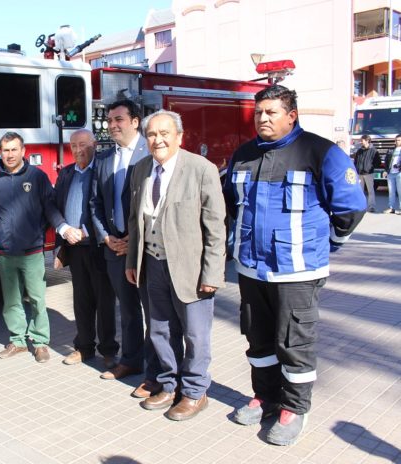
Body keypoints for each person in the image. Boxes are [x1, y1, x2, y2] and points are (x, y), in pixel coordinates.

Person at [223, 85, 366, 446]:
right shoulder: (243, 155)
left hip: (298, 271)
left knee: (294, 341)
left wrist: (328, 243)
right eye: (258, 113)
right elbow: (229, 206)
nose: (263, 119)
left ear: (292, 115)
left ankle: (294, 407)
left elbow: (351, 207)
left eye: (271, 112)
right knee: (258, 337)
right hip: (252, 269)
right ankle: (266, 397)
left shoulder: (321, 153)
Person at [125, 110, 226, 421]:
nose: (158, 140)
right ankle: (169, 385)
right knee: (159, 330)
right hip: (152, 266)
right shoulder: (140, 169)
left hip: (191, 270)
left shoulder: (201, 169)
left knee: (195, 334)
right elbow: (135, 220)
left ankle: (195, 392)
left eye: (165, 133)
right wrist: (132, 260)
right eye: (152, 134)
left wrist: (212, 272)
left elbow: (216, 226)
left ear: (180, 137)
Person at [90, 99, 160, 398]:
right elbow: (95, 203)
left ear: (135, 121)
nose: (112, 125)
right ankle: (131, 361)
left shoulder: (152, 153)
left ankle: (158, 371)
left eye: (118, 119)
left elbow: (158, 200)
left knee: (156, 312)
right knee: (129, 311)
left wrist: (135, 238)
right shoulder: (104, 159)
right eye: (109, 120)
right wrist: (106, 237)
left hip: (145, 247)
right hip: (114, 248)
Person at [0, 132, 66, 363]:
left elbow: (48, 207)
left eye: (13, 149)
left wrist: (52, 229)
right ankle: (18, 341)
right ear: (0, 152)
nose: (9, 155)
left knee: (38, 299)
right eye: (5, 150)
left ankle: (40, 342)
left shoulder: (37, 177)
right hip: (6, 252)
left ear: (23, 151)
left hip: (32, 250)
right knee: (11, 301)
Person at [53, 129, 118, 367]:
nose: (78, 150)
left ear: (94, 145)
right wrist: (63, 228)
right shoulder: (67, 173)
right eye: (73, 146)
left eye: (83, 144)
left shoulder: (102, 170)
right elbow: (53, 205)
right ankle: (84, 347)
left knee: (105, 301)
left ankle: (109, 350)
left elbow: (108, 206)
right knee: (81, 300)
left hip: (99, 246)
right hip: (75, 248)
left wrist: (87, 231)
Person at [353, 134, 377, 212]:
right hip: (360, 174)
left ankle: (371, 207)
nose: (361, 142)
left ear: (367, 141)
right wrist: (356, 170)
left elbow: (377, 162)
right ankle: (361, 206)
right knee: (360, 191)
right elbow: (356, 161)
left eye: (362, 140)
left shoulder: (373, 150)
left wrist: (369, 168)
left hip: (369, 174)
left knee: (370, 191)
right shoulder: (359, 151)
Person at [382, 134, 401, 214]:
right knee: (391, 192)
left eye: (399, 140)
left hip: (399, 173)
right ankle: (391, 208)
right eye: (396, 140)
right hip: (390, 173)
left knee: (400, 191)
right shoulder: (390, 150)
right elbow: (386, 161)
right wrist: (385, 170)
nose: (397, 142)